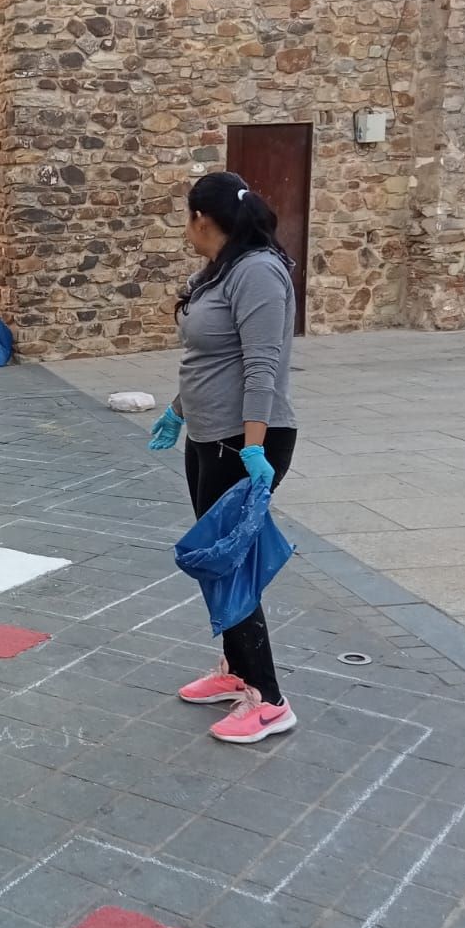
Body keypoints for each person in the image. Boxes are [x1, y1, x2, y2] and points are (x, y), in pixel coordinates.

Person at [148, 171, 298, 744]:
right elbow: (209, 359)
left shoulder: (258, 270)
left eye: (185, 218)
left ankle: (271, 700)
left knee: (230, 565)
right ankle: (236, 672)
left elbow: (262, 365)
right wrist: (178, 410)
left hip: (247, 442)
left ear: (200, 219)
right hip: (209, 436)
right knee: (218, 556)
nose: (184, 228)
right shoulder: (219, 270)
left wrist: (255, 448)